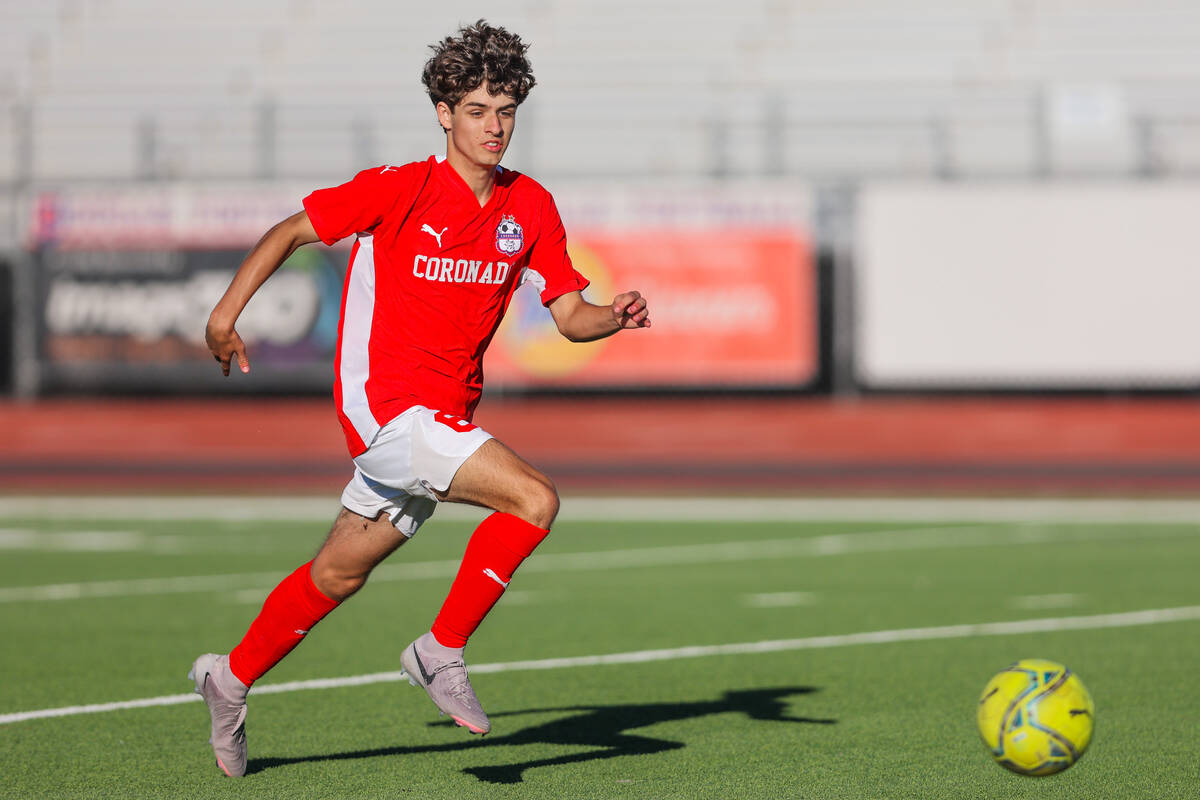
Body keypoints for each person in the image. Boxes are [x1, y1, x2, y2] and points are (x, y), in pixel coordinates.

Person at [188, 20, 651, 778]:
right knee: (534, 500)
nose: (494, 127)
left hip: (441, 419)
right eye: (477, 110)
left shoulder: (528, 205)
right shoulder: (399, 188)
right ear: (444, 113)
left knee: (339, 573)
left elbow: (569, 316)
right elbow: (289, 233)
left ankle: (228, 679)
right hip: (386, 409)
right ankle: (439, 651)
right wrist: (222, 316)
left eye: (506, 112)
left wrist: (614, 318)